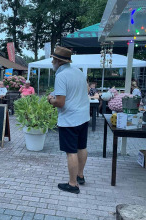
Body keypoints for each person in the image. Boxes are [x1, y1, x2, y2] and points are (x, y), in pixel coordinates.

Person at [47, 46, 90, 194]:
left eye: (53, 59)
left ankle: (72, 184)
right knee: (81, 147)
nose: (52, 62)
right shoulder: (78, 72)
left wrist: (50, 100)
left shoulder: (61, 76)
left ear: (58, 61)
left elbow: (60, 102)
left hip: (70, 118)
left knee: (71, 152)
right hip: (83, 116)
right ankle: (80, 176)